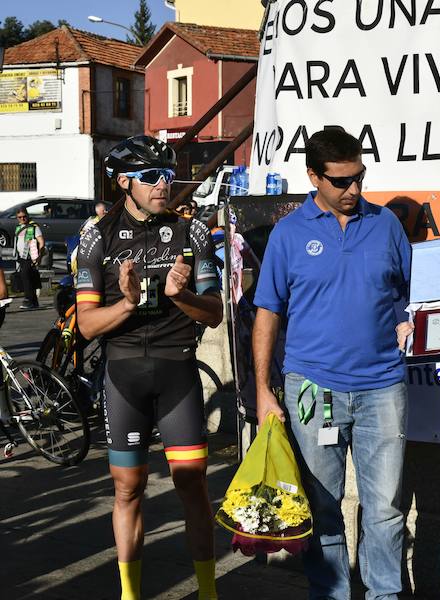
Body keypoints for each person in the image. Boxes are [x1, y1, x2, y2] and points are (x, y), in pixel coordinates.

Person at [253, 128, 413, 600]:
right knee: (323, 508)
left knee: (385, 509)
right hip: (311, 389)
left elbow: (412, 295)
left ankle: (385, 595)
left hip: (383, 386)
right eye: (342, 181)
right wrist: (263, 391)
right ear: (313, 177)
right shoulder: (288, 233)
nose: (354, 191)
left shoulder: (386, 225)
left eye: (360, 177)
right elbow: (267, 313)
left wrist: (410, 322)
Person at [76, 135, 223, 600]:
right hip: (124, 378)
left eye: (166, 174)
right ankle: (129, 594)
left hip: (176, 371)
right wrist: (128, 302)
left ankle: (207, 591)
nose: (163, 184)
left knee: (192, 486)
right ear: (123, 182)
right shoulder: (95, 236)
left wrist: (182, 297)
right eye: (149, 176)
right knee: (128, 491)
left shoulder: (191, 231)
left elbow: (215, 313)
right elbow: (85, 326)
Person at [13, 208, 44, 310]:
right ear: (17, 218)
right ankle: (34, 302)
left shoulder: (34, 227)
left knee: (26, 278)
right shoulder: (19, 228)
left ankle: (28, 300)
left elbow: (41, 242)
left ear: (27, 215)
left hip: (30, 257)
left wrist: (38, 257)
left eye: (24, 216)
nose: (22, 218)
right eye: (20, 217)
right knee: (28, 278)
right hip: (21, 257)